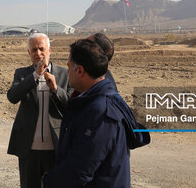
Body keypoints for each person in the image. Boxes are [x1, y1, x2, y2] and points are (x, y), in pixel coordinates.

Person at [41, 39, 132, 188]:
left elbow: (82, 168)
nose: (67, 72)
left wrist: (49, 182)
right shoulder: (93, 100)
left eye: (69, 66)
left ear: (80, 70)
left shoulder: (100, 111)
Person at [7, 33, 71, 188]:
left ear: (49, 50)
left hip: (55, 147)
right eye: (34, 50)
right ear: (29, 53)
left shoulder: (64, 74)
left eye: (41, 49)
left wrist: (56, 89)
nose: (38, 53)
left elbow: (72, 105)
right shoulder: (22, 74)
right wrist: (35, 75)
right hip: (29, 148)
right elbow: (13, 97)